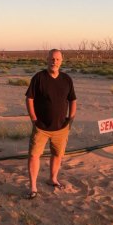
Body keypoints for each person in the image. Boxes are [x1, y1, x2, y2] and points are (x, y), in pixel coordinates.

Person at [25, 49, 77, 199]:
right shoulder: (38, 78)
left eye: (57, 59)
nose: (54, 62)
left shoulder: (67, 79)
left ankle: (52, 179)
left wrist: (71, 119)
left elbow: (72, 99)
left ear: (61, 61)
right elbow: (29, 99)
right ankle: (33, 187)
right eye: (52, 59)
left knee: (57, 154)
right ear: (47, 60)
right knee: (34, 155)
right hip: (41, 127)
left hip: (61, 127)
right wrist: (34, 119)